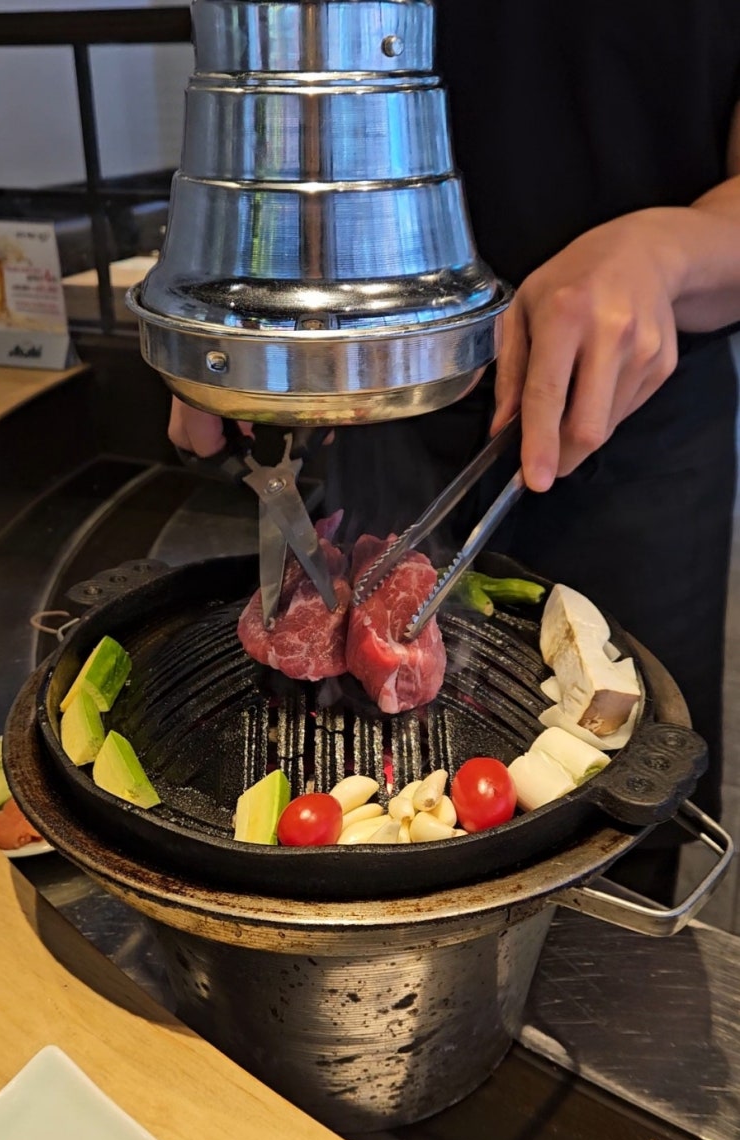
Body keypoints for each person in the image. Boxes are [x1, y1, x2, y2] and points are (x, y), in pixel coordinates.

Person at [168, 2, 740, 901]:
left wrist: (670, 251)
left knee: (613, 833)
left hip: (628, 415)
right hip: (369, 395)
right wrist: (237, 279)